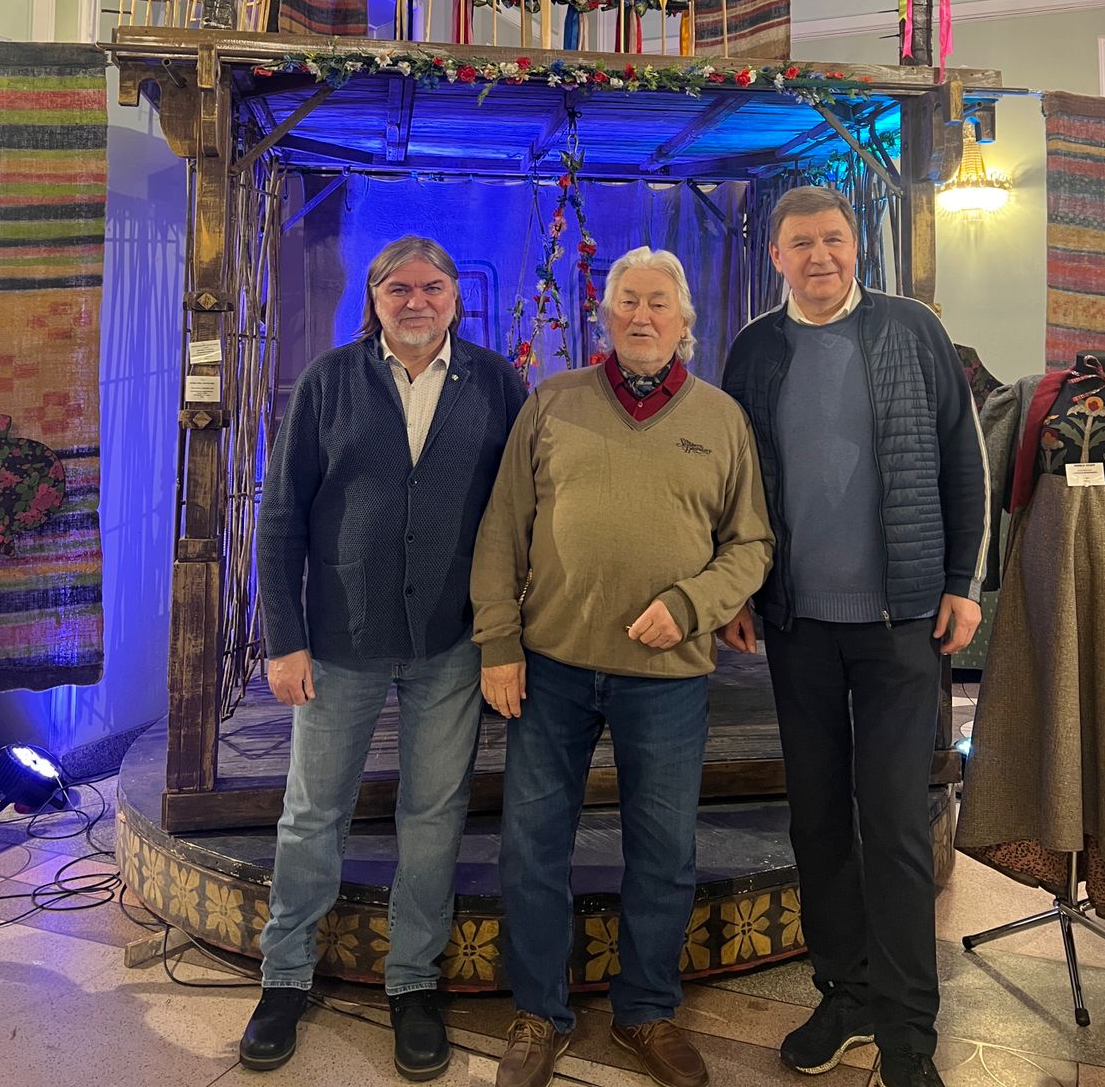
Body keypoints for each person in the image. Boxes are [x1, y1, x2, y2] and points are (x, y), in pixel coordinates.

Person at [472, 246, 773, 1087]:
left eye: (658, 303)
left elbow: (751, 543)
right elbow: (501, 531)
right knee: (533, 847)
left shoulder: (721, 419)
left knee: (664, 851)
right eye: (627, 302)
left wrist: (692, 604)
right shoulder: (552, 402)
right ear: (605, 316)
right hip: (552, 667)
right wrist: (499, 643)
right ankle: (539, 1013)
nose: (642, 316)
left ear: (684, 322)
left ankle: (645, 1011)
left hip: (668, 676)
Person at [720, 188, 987, 1087]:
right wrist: (741, 588)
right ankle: (846, 993)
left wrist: (961, 583)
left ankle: (910, 1036)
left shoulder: (914, 330)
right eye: (801, 243)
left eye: (833, 239)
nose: (821, 256)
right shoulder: (754, 349)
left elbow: (963, 459)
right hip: (797, 625)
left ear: (855, 245)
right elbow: (737, 481)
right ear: (777, 257)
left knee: (898, 825)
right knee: (818, 820)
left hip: (901, 624)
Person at [242, 236, 528, 1076]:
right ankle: (284, 975)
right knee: (312, 812)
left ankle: (412, 982)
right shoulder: (329, 382)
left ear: (456, 297)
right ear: (374, 299)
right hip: (339, 641)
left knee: (433, 817)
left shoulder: (496, 383)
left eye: (432, 287)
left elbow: (521, 513)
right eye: (397, 288)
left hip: (451, 642)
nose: (416, 301)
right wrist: (284, 639)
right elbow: (280, 516)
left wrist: (504, 635)